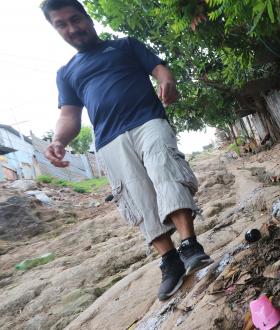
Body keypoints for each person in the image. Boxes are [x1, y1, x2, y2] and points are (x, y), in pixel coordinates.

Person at [40, 0, 213, 301]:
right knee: (136, 195)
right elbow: (69, 115)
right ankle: (169, 260)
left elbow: (160, 69)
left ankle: (189, 245)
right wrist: (58, 141)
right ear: (55, 30)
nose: (72, 28)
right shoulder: (66, 73)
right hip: (109, 140)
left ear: (87, 18)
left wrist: (167, 79)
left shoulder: (125, 46)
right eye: (62, 25)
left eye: (75, 19)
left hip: (148, 120)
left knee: (165, 169)